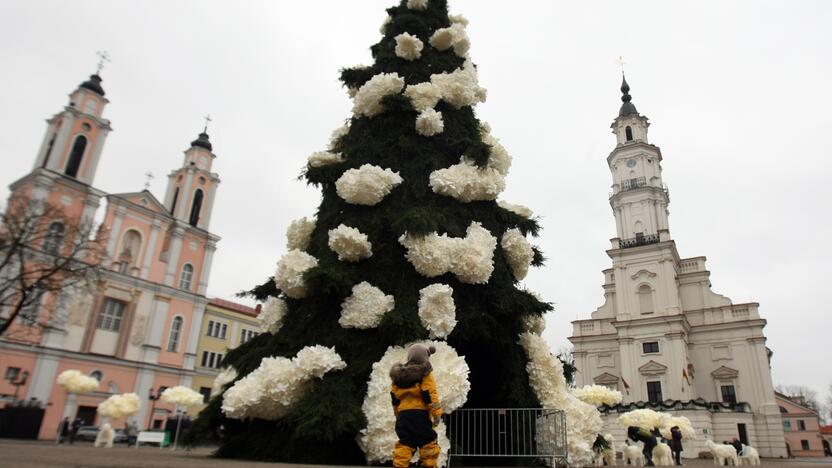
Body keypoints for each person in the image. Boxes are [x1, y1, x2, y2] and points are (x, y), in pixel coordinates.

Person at [390, 344, 442, 468]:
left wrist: (398, 415)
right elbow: (429, 394)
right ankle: (429, 465)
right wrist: (436, 413)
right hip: (420, 415)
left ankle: (399, 465)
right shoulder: (425, 374)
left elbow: (394, 399)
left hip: (403, 416)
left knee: (405, 443)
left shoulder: (398, 377)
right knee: (427, 442)